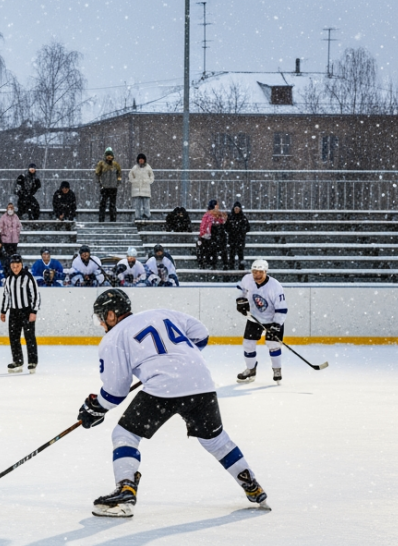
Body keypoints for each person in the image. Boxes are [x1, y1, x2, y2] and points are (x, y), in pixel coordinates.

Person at [77, 289, 269, 517]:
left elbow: (115, 392)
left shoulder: (114, 337)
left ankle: (125, 490)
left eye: (101, 317)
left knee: (124, 434)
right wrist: (176, 358)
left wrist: (94, 407)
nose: (101, 324)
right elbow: (201, 334)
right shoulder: (160, 313)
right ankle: (251, 484)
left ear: (111, 315)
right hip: (202, 382)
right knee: (215, 440)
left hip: (164, 388)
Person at [235, 259, 288, 384]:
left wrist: (276, 324)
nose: (257, 275)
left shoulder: (275, 286)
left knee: (273, 345)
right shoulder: (247, 279)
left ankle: (277, 369)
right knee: (248, 344)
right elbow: (241, 291)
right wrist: (240, 301)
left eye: (260, 272)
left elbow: (282, 308)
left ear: (266, 272)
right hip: (254, 318)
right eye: (254, 272)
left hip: (272, 319)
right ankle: (251, 369)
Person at [0, 254, 40, 373]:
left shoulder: (28, 277)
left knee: (29, 337)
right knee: (14, 337)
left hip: (27, 311)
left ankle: (32, 362)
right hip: (13, 312)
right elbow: (6, 296)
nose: (15, 268)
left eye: (17, 266)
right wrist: (3, 311)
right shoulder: (8, 279)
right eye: (13, 266)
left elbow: (36, 295)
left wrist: (34, 311)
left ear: (21, 265)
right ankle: (17, 361)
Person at [93, 148, 122, 222]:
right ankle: (101, 220)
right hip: (104, 187)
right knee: (103, 205)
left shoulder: (116, 165)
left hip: (113, 188)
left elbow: (119, 174)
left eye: (111, 156)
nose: (109, 158)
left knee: (112, 205)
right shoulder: (101, 164)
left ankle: (113, 220)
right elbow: (97, 174)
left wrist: (117, 183)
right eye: (108, 156)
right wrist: (100, 184)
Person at [198, 200, 227, 271]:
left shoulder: (219, 215)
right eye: (216, 205)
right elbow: (203, 227)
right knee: (209, 250)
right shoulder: (207, 216)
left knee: (217, 250)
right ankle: (209, 264)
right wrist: (204, 234)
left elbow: (223, 223)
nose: (218, 206)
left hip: (217, 237)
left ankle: (217, 265)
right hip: (209, 237)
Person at [128, 153, 154, 221]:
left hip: (146, 190)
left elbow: (152, 176)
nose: (141, 161)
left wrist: (148, 181)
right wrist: (134, 181)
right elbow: (130, 176)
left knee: (146, 205)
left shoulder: (148, 167)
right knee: (137, 206)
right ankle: (137, 216)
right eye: (140, 159)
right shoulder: (135, 168)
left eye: (142, 159)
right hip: (136, 190)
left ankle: (147, 215)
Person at [227, 201, 250, 270]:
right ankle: (231, 267)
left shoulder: (243, 218)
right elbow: (226, 227)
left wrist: (242, 231)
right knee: (232, 254)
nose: (236, 210)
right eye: (235, 208)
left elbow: (248, 228)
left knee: (240, 254)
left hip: (240, 239)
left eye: (238, 208)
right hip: (232, 239)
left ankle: (241, 268)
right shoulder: (230, 217)